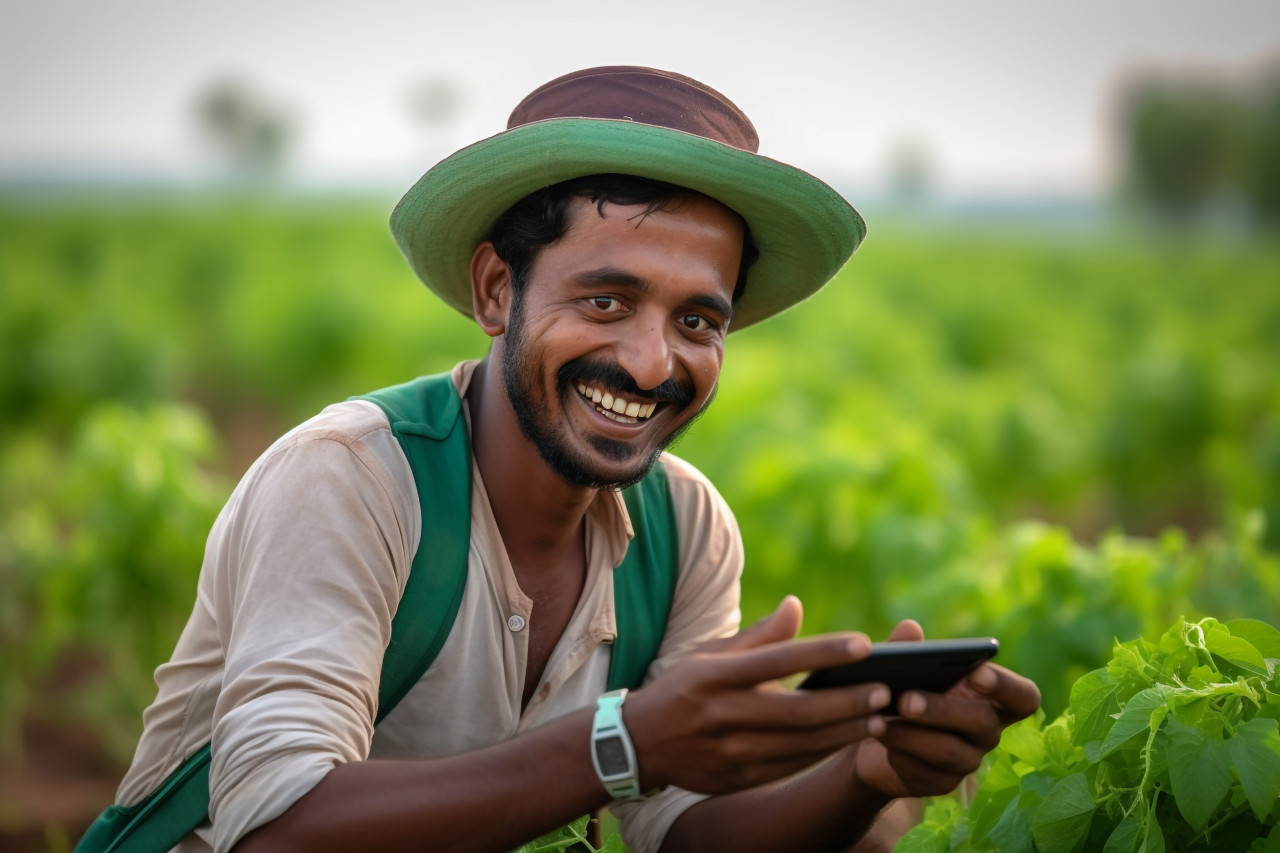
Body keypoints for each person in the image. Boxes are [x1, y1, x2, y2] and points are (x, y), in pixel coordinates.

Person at [104, 66, 1040, 853]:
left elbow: (675, 828)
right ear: (496, 289)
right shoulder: (352, 478)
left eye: (697, 321)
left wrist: (865, 774)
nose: (649, 361)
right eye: (605, 301)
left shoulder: (684, 526)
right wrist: (623, 742)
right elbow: (277, 828)